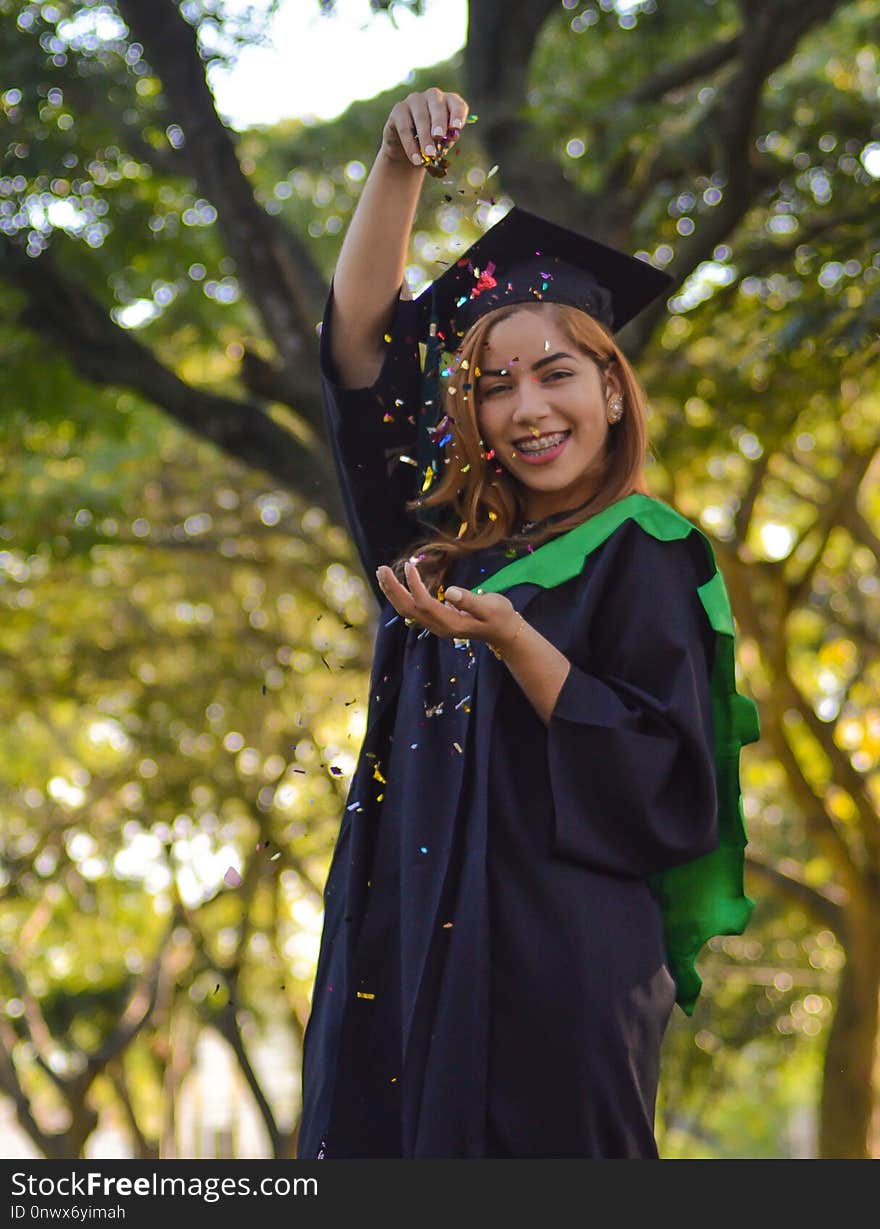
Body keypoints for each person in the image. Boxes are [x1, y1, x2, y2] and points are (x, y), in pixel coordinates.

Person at [297, 87, 761, 1160]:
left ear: (610, 384)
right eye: (493, 386)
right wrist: (397, 166)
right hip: (406, 940)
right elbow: (358, 351)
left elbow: (665, 782)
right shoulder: (433, 544)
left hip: (560, 962)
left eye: (556, 373)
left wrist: (515, 639)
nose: (527, 407)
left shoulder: (648, 549)